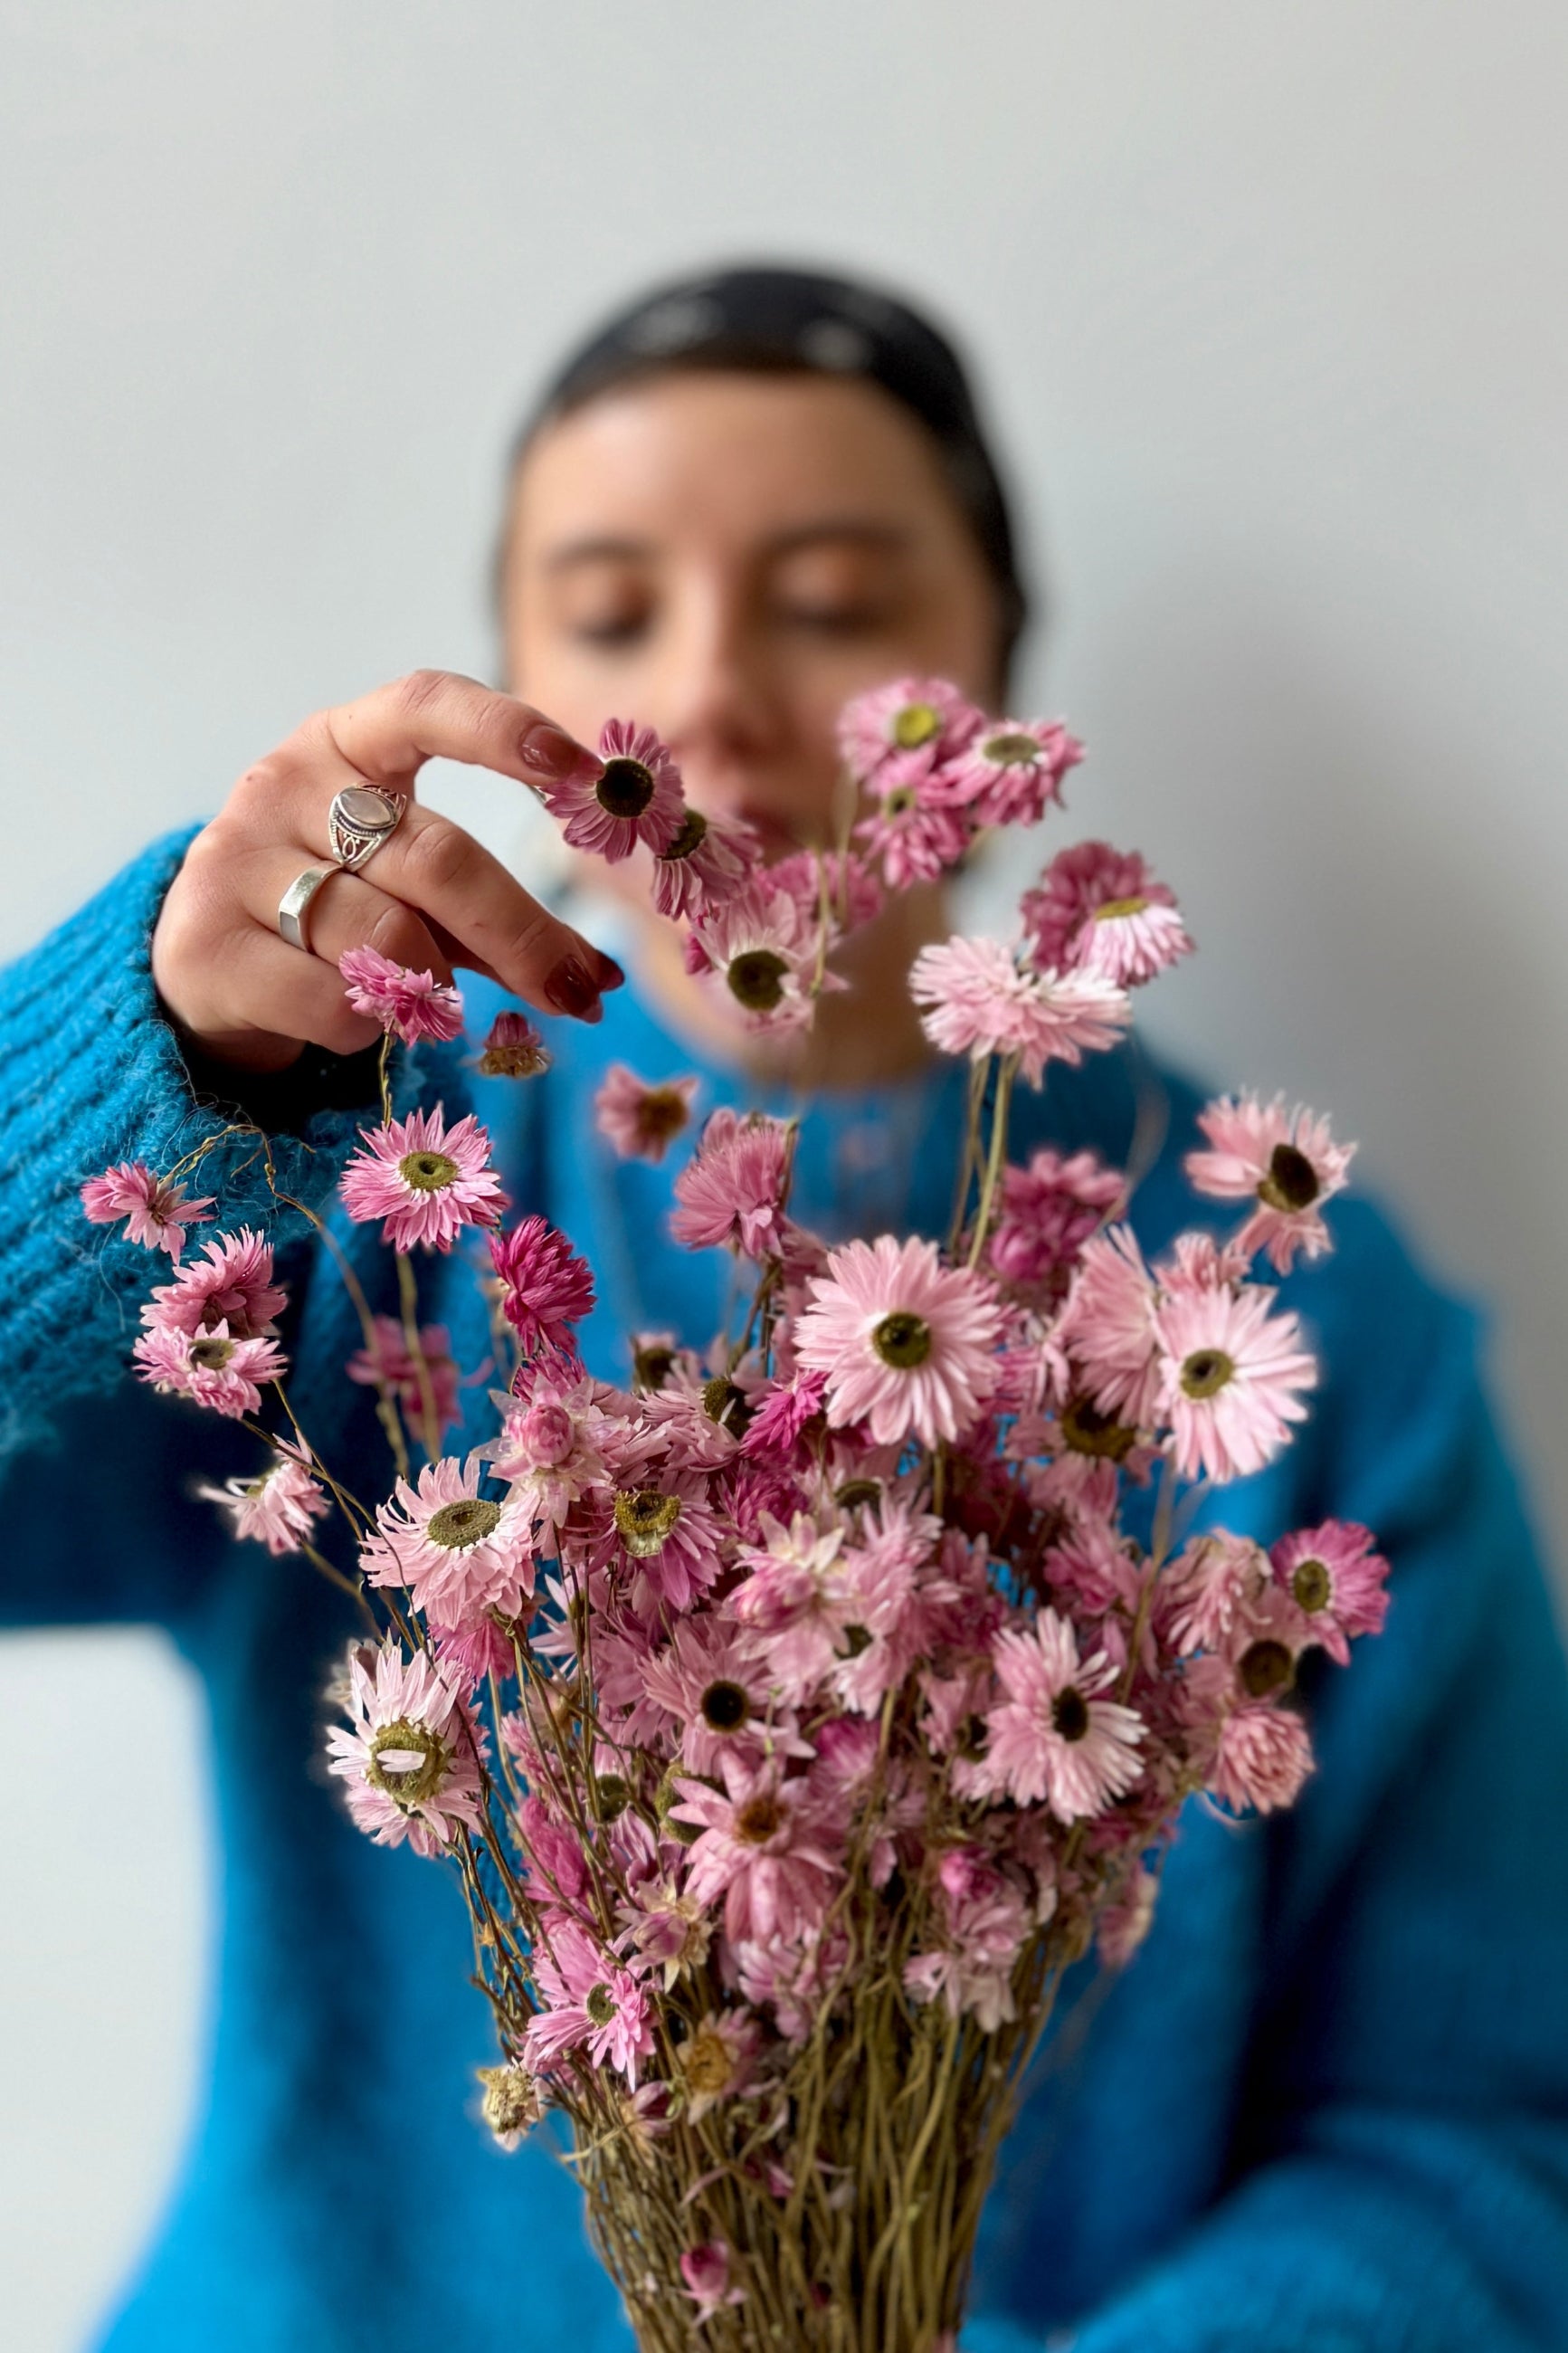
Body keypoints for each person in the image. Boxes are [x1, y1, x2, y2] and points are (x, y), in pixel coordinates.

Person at [5, 265, 1568, 2353]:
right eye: (611, 609)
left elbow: (1482, 2132)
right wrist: (158, 1068)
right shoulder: (342, 1187)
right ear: (511, 689)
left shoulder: (1289, 1322)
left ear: (992, 682)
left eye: (831, 602)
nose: (715, 697)